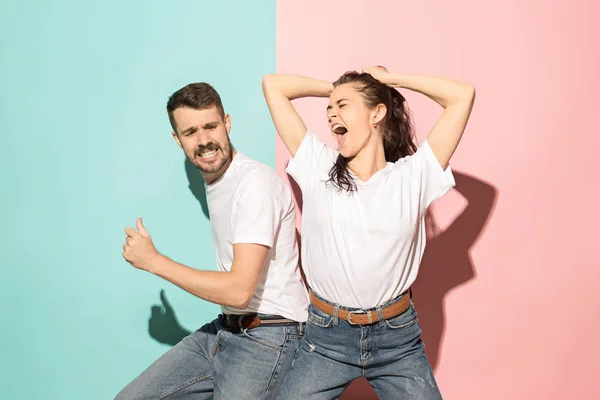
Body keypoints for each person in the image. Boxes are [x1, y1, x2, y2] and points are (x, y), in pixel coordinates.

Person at [261, 66, 475, 399]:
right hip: (326, 338)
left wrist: (392, 82)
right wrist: (335, 90)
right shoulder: (317, 166)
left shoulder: (414, 176)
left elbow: (462, 96)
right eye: (329, 109)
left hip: (397, 340)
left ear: (377, 113)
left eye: (342, 106)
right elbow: (273, 86)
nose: (332, 114)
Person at [116, 82, 309, 400]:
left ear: (227, 123)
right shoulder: (220, 181)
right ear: (177, 140)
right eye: (191, 132)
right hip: (227, 329)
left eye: (211, 126)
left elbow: (238, 290)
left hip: (271, 333)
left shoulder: (254, 184)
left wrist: (153, 261)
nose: (204, 140)